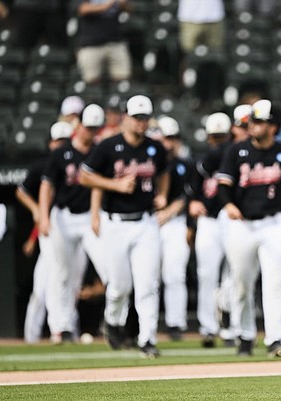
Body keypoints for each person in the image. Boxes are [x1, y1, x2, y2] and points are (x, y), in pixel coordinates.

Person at [79, 95, 169, 359]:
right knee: (119, 286)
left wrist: (162, 194)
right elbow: (86, 176)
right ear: (126, 118)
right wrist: (114, 185)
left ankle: (147, 338)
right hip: (115, 221)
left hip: (145, 222)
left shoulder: (155, 148)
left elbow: (163, 173)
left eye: (145, 118)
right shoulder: (108, 146)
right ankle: (113, 321)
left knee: (148, 284)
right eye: (137, 118)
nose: (141, 123)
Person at [217, 99, 281, 357]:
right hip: (242, 224)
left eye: (259, 121)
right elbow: (223, 186)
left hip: (274, 223)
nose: (253, 125)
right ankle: (244, 334)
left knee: (276, 283)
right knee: (242, 283)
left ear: (273, 126)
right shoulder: (237, 151)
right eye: (253, 121)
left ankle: (275, 339)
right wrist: (228, 205)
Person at [38, 105, 106, 344]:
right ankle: (62, 327)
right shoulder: (62, 152)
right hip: (63, 217)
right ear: (79, 126)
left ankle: (113, 322)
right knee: (62, 274)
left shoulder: (99, 152)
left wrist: (97, 215)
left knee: (103, 269)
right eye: (88, 127)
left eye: (95, 128)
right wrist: (44, 216)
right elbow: (47, 185)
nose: (91, 132)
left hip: (89, 217)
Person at [16, 121, 72, 343]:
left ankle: (65, 330)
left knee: (62, 282)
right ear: (51, 143)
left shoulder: (72, 166)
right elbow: (22, 192)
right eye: (58, 141)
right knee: (46, 286)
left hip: (62, 228)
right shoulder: (43, 166)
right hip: (48, 232)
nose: (61, 145)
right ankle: (42, 333)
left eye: (65, 142)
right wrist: (35, 211)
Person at [189, 111, 241, 348]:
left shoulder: (238, 155)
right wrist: (192, 212)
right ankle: (208, 327)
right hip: (209, 220)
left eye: (222, 137)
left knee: (233, 274)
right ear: (209, 137)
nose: (218, 141)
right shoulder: (204, 160)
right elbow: (191, 193)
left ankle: (231, 326)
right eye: (215, 137)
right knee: (207, 274)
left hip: (232, 219)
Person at [155, 115, 193, 341]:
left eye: (173, 138)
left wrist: (169, 213)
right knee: (147, 277)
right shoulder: (147, 161)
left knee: (174, 274)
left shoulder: (183, 165)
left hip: (175, 221)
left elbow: (187, 196)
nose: (169, 143)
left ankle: (175, 324)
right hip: (146, 221)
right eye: (165, 138)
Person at [72, 0, 132, 84]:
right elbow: (83, 9)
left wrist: (123, 4)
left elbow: (129, 10)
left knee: (122, 80)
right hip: (90, 44)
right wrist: (109, 4)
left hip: (115, 41)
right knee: (91, 81)